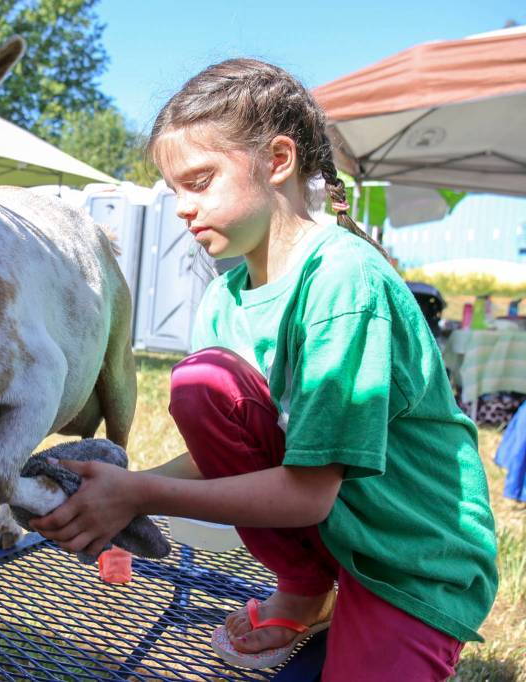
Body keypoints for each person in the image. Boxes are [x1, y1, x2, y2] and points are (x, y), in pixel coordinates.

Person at [31, 59, 498, 680]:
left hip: (408, 555)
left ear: (278, 160)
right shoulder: (226, 299)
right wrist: (121, 487)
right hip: (334, 528)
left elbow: (308, 491)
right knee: (204, 385)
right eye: (174, 191)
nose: (180, 209)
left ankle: (341, 594)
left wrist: (139, 493)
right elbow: (231, 451)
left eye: (200, 180)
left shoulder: (343, 282)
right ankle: (307, 587)